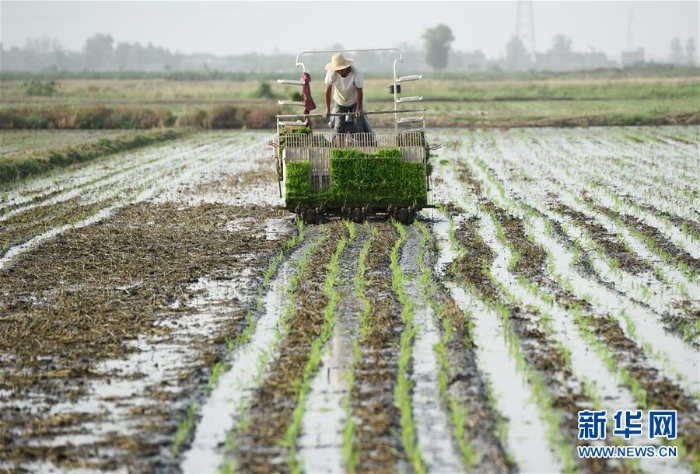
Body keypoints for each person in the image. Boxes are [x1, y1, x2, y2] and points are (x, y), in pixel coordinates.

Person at [322, 53, 373, 137]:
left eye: (341, 69)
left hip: (354, 101)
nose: (339, 71)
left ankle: (361, 145)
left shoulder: (355, 72)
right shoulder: (331, 73)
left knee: (358, 123)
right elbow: (328, 90)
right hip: (340, 101)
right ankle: (340, 147)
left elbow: (359, 90)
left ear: (346, 66)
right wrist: (327, 109)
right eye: (337, 70)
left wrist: (359, 108)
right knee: (339, 126)